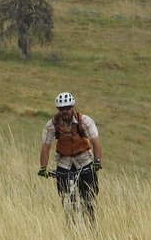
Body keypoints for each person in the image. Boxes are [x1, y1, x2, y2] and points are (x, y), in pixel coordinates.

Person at [38, 91, 103, 223]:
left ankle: (91, 222)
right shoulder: (52, 125)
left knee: (89, 194)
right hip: (64, 160)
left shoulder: (84, 121)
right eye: (62, 109)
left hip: (84, 158)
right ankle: (70, 222)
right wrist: (43, 168)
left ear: (73, 107)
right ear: (58, 110)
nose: (65, 111)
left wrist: (97, 161)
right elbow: (46, 147)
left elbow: (96, 142)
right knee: (65, 194)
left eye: (68, 108)